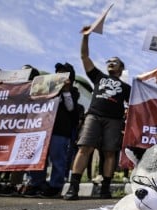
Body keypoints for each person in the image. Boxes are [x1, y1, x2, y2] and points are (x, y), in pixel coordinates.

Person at [63, 25, 131, 200]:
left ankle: (105, 188)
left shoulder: (126, 87)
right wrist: (86, 37)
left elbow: (134, 105)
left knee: (110, 152)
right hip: (94, 116)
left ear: (121, 68)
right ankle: (73, 187)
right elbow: (84, 56)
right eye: (109, 61)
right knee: (84, 148)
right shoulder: (99, 77)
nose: (110, 63)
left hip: (114, 120)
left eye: (114, 61)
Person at [24, 62, 79, 197]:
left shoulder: (73, 91)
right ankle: (36, 183)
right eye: (58, 72)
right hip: (42, 128)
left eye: (63, 73)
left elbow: (71, 108)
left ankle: (55, 186)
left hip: (60, 131)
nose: (60, 75)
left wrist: (66, 91)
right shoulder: (45, 88)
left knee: (58, 157)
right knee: (37, 157)